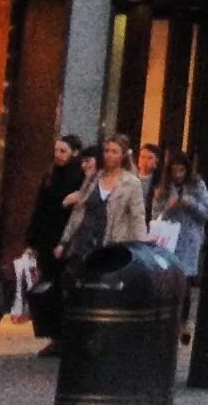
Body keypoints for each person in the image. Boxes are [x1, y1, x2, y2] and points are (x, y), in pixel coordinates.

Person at [24, 135, 87, 355]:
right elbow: (40, 206)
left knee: (61, 285)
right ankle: (53, 333)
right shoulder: (50, 174)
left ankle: (62, 335)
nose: (58, 155)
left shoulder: (80, 177)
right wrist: (31, 239)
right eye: (57, 151)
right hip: (46, 237)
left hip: (65, 238)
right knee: (48, 284)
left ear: (75, 153)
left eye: (63, 151)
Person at [150, 151, 208, 344]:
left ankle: (183, 322)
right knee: (167, 281)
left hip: (188, 239)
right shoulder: (163, 187)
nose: (177, 174)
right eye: (174, 170)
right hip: (167, 239)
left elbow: (206, 212)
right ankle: (166, 321)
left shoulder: (197, 186)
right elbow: (155, 214)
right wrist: (167, 206)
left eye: (181, 170)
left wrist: (189, 203)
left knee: (184, 283)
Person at [60, 133, 149, 261]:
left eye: (114, 152)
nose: (109, 155)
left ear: (122, 155)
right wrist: (64, 241)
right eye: (106, 151)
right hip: (82, 243)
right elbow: (78, 211)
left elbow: (137, 218)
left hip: (110, 245)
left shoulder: (131, 183)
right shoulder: (93, 177)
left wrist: (142, 248)